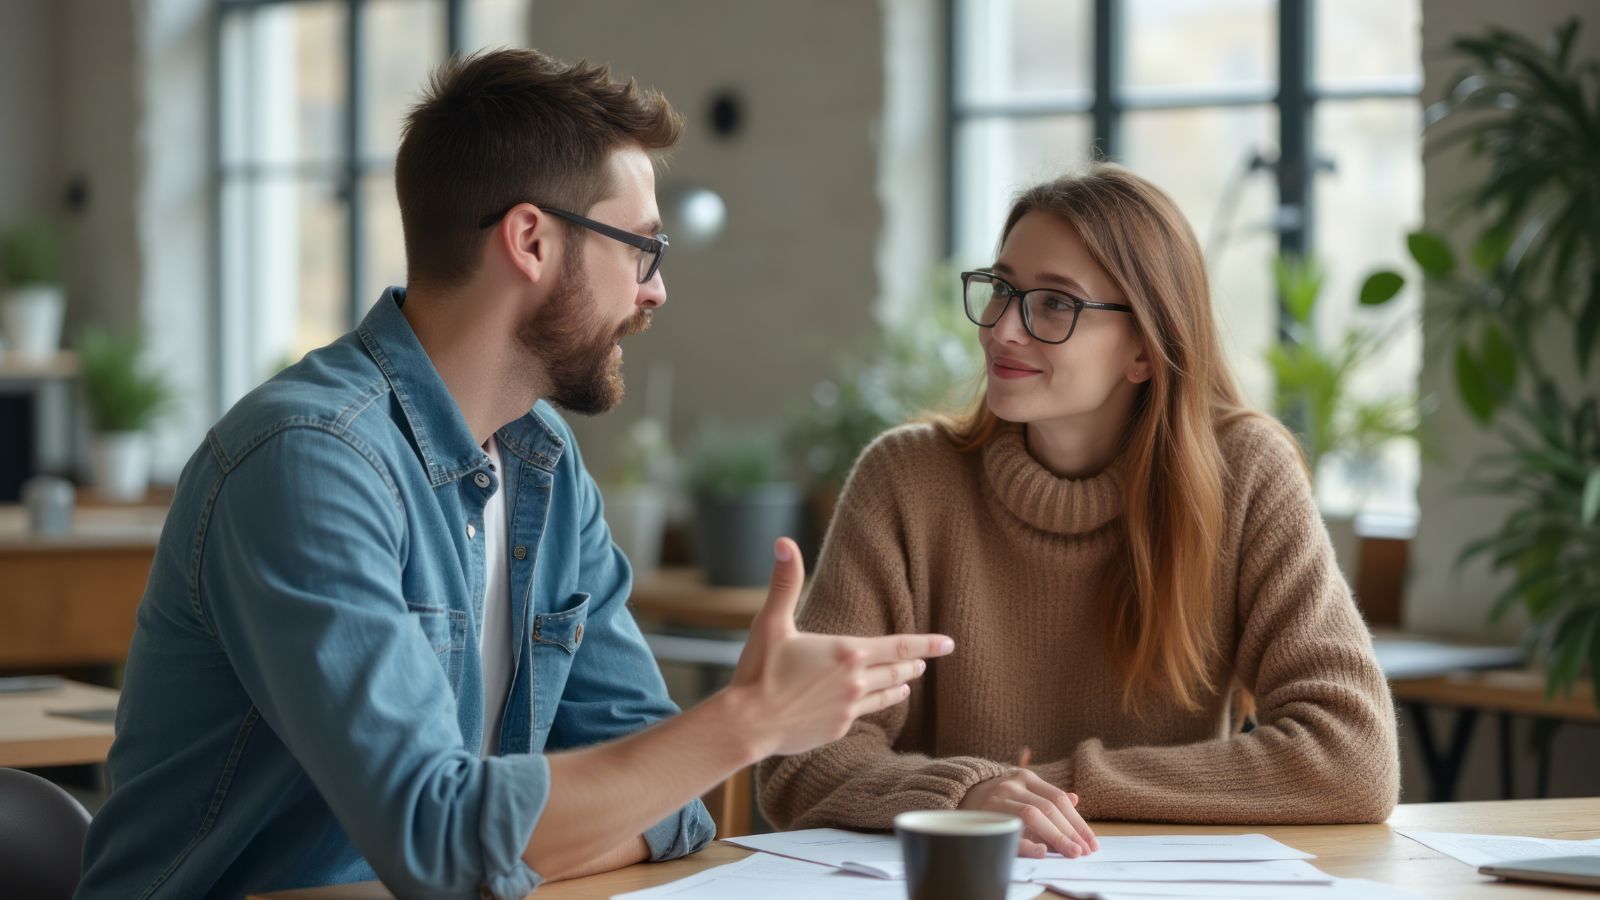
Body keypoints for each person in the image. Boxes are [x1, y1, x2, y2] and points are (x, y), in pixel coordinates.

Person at [76, 49, 954, 900]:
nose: (654, 292)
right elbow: (440, 839)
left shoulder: (544, 463)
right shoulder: (309, 462)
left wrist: (517, 842)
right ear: (530, 240)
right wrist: (743, 722)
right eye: (639, 248)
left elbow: (670, 800)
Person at [757, 166, 1400, 859]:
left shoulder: (1243, 472)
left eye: (1055, 305)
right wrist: (966, 794)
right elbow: (799, 762)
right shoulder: (906, 479)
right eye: (1001, 289)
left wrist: (1034, 793)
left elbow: (1351, 757)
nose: (1003, 328)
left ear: (1145, 353)